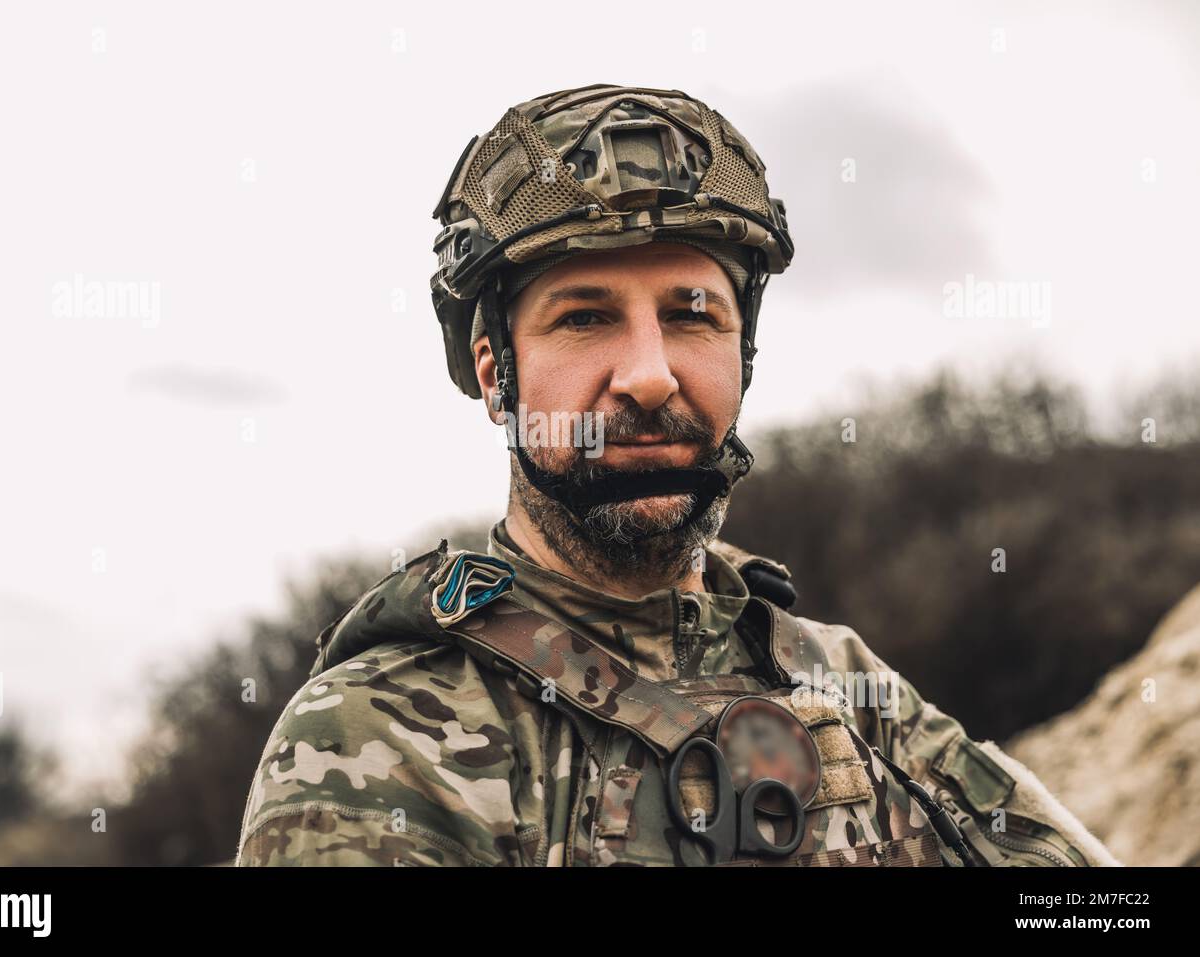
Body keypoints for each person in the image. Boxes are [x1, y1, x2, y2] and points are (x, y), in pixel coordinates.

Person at [235, 83, 1119, 867]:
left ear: (744, 353)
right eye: (585, 318)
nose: (650, 374)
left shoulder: (839, 679)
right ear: (497, 375)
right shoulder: (381, 732)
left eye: (692, 315)